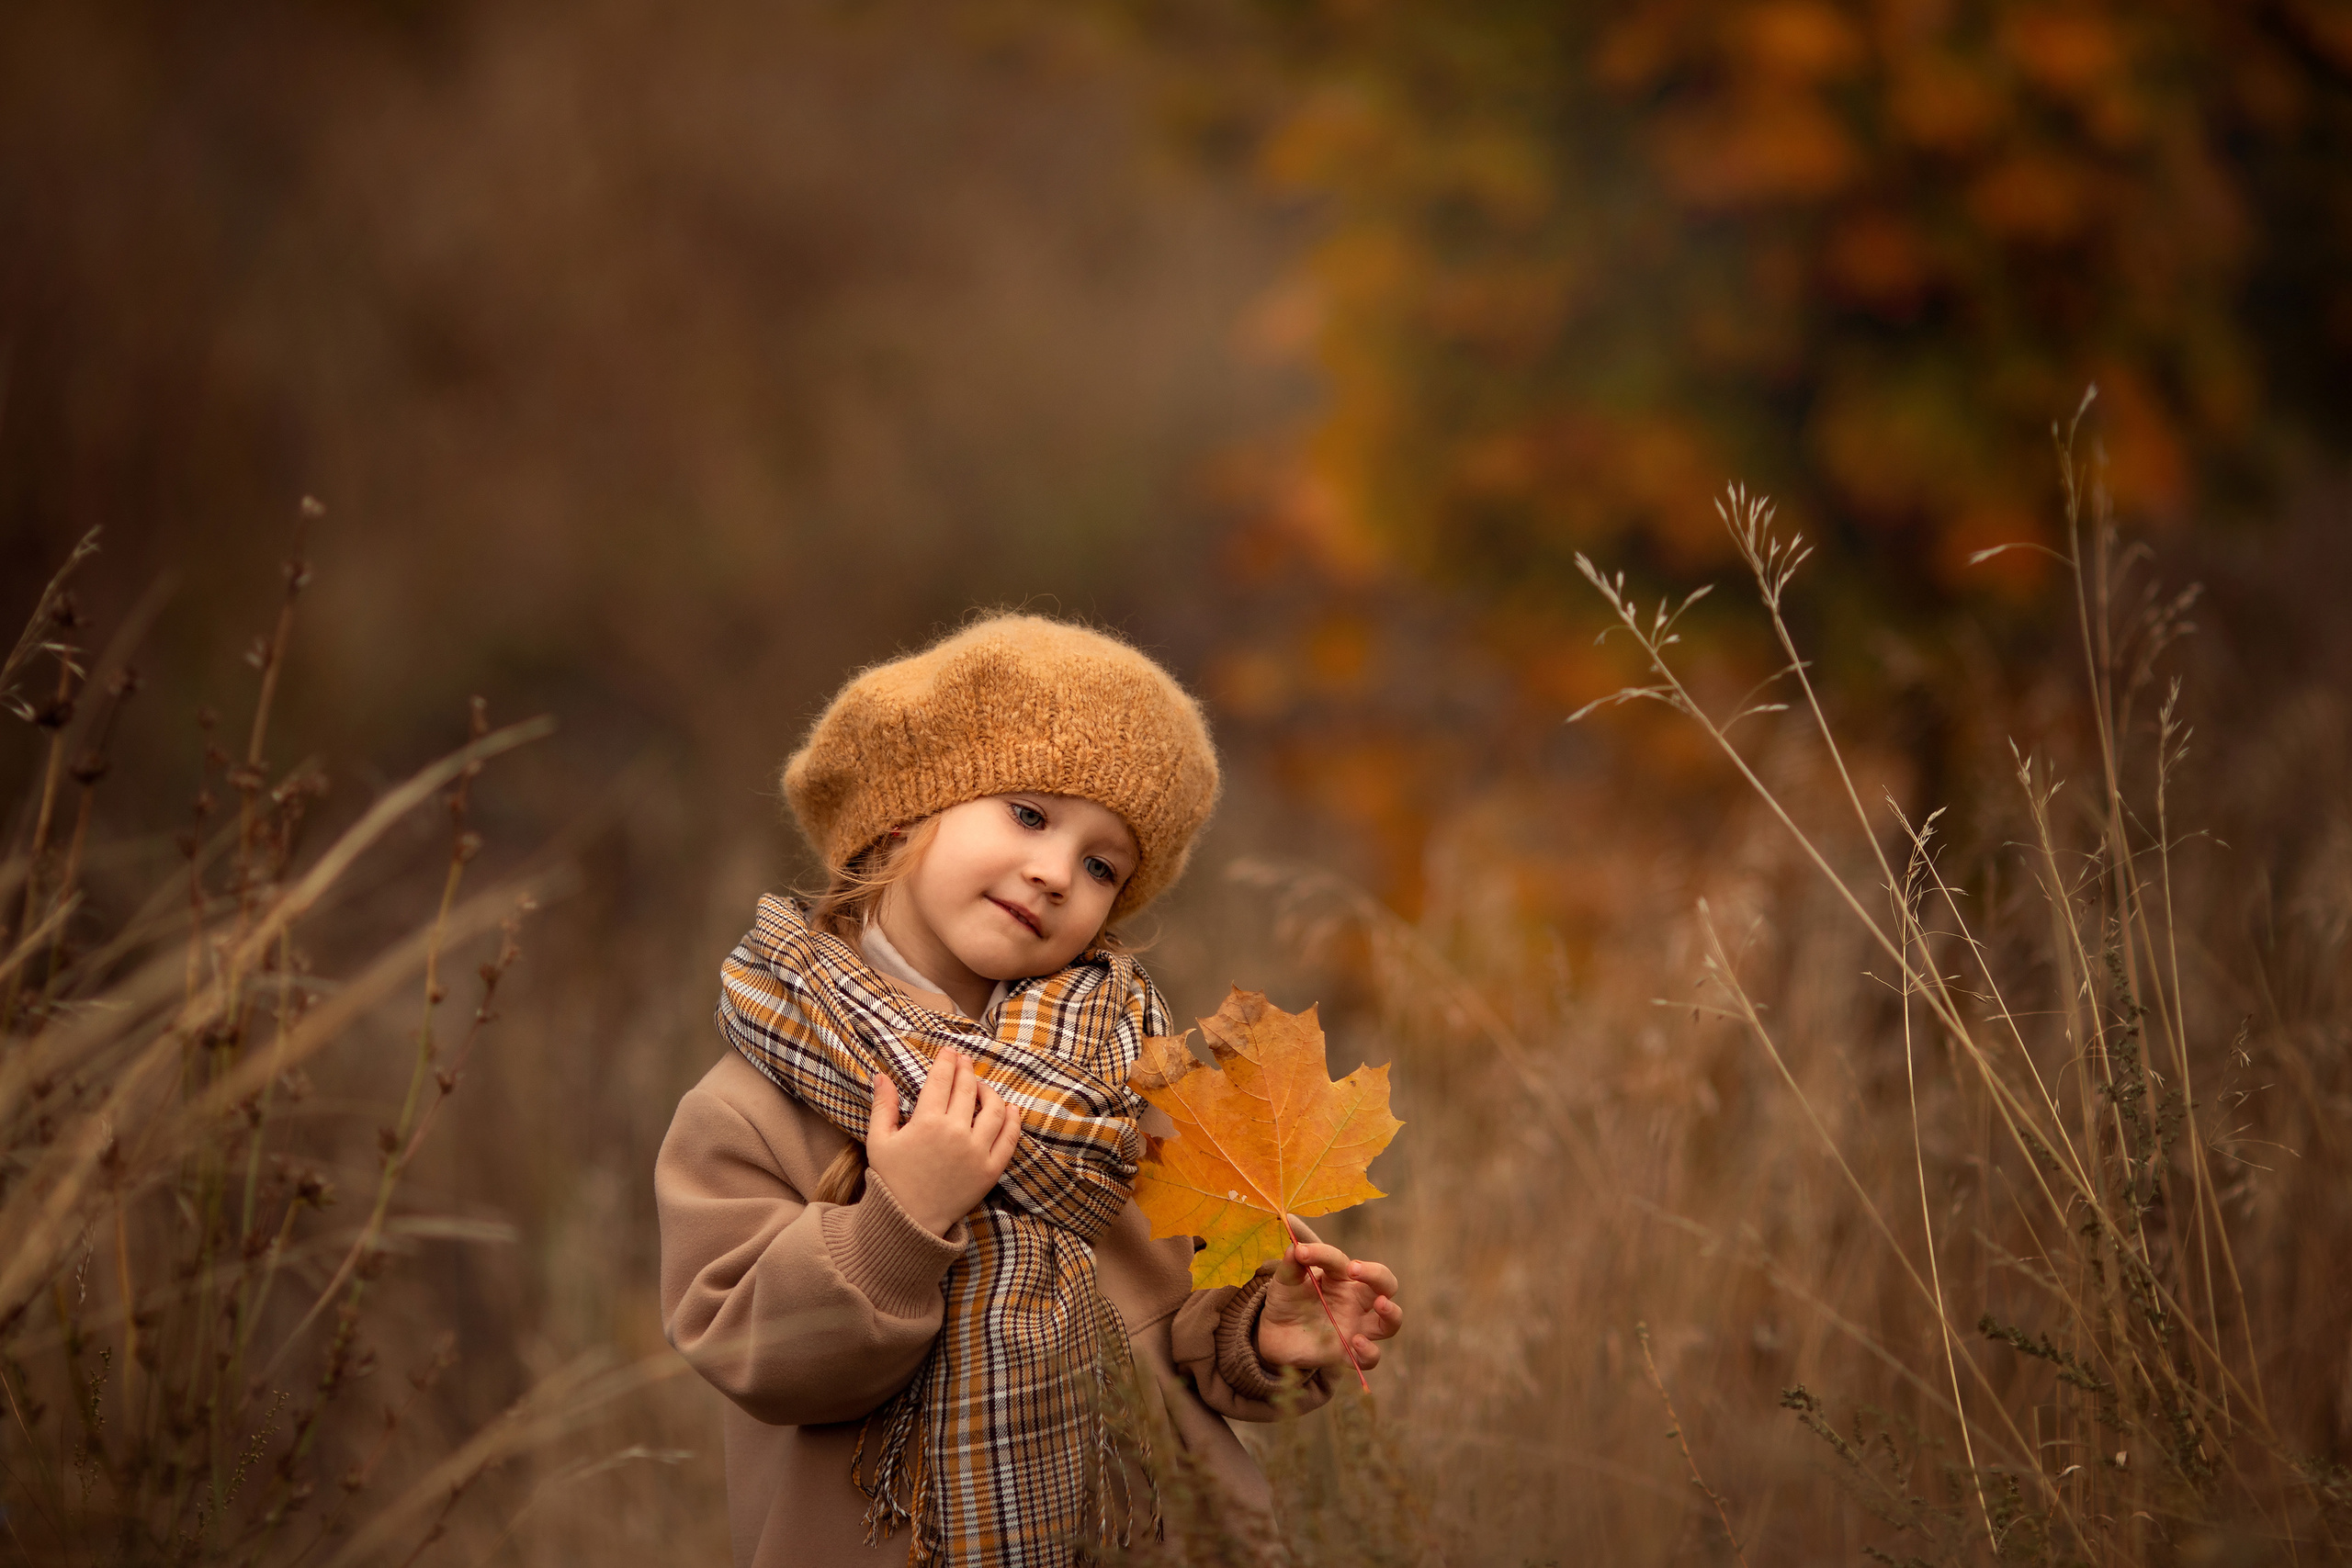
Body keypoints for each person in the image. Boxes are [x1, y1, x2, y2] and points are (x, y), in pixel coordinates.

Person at [655, 614, 1406, 1568]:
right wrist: (898, 1224)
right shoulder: (752, 1107)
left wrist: (1259, 1332)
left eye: (1103, 866)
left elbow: (1182, 1313)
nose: (1055, 872)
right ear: (901, 809)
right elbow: (752, 1354)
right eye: (1028, 814)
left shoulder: (1125, 1083)